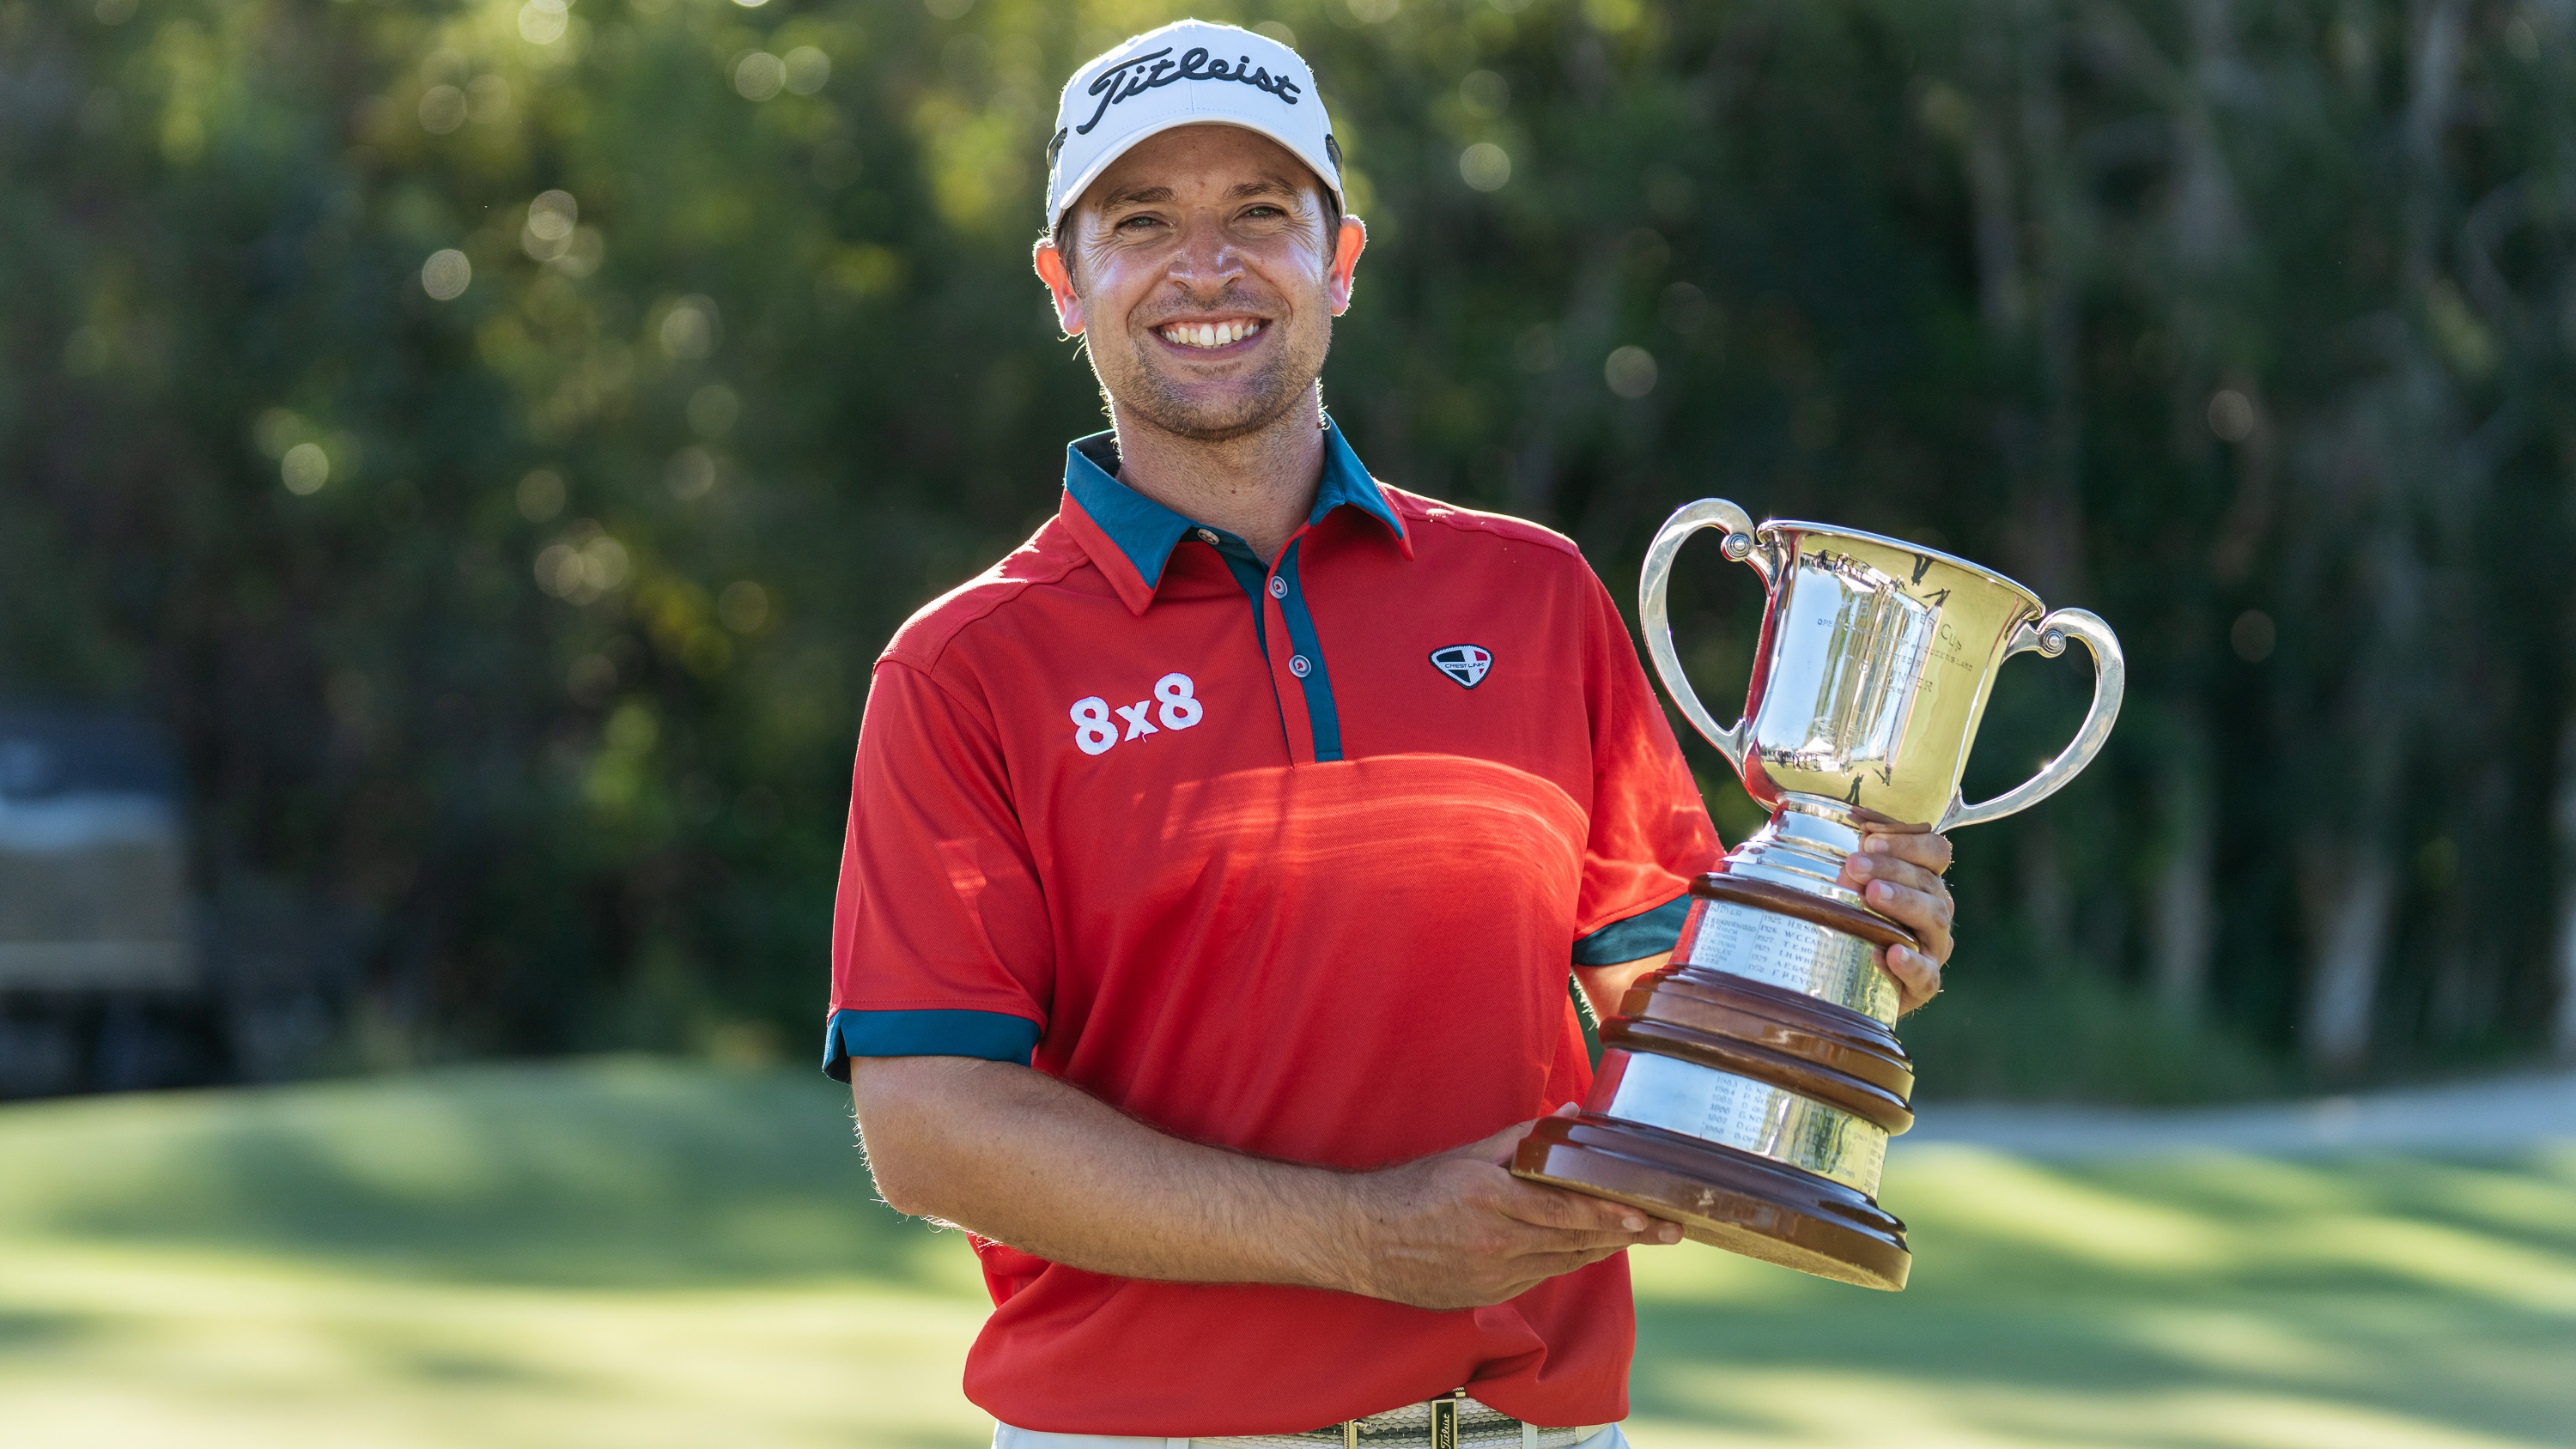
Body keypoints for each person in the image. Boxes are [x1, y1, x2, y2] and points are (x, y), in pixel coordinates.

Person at [828, 21, 1957, 1449]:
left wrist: (1835, 953)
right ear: (1065, 284)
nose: (1208, 267)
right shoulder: (964, 669)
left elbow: (1659, 1021)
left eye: (1259, 214)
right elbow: (930, 1126)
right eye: (1140, 222)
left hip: (1527, 1425)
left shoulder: (1530, 593)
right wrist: (1364, 1237)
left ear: (1340, 259)